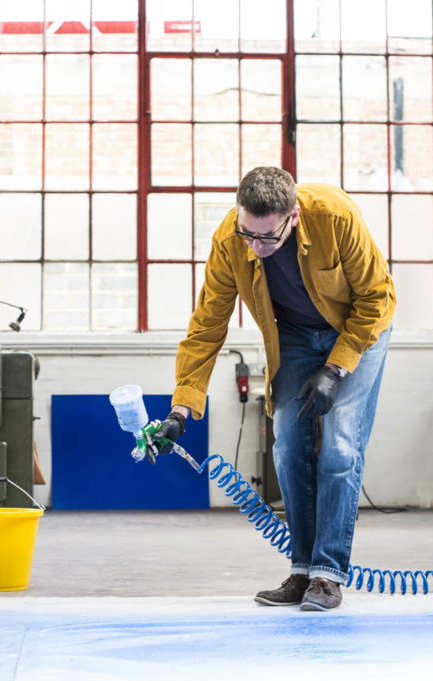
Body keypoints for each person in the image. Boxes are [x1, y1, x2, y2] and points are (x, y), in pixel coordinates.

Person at [154, 166, 395, 611]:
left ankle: (328, 575)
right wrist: (181, 410)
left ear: (295, 216)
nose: (256, 248)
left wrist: (337, 369)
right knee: (287, 446)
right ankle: (302, 571)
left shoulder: (335, 216)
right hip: (297, 338)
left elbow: (377, 298)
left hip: (359, 330)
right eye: (249, 234)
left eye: (267, 238)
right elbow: (207, 326)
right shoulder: (232, 239)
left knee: (341, 448)